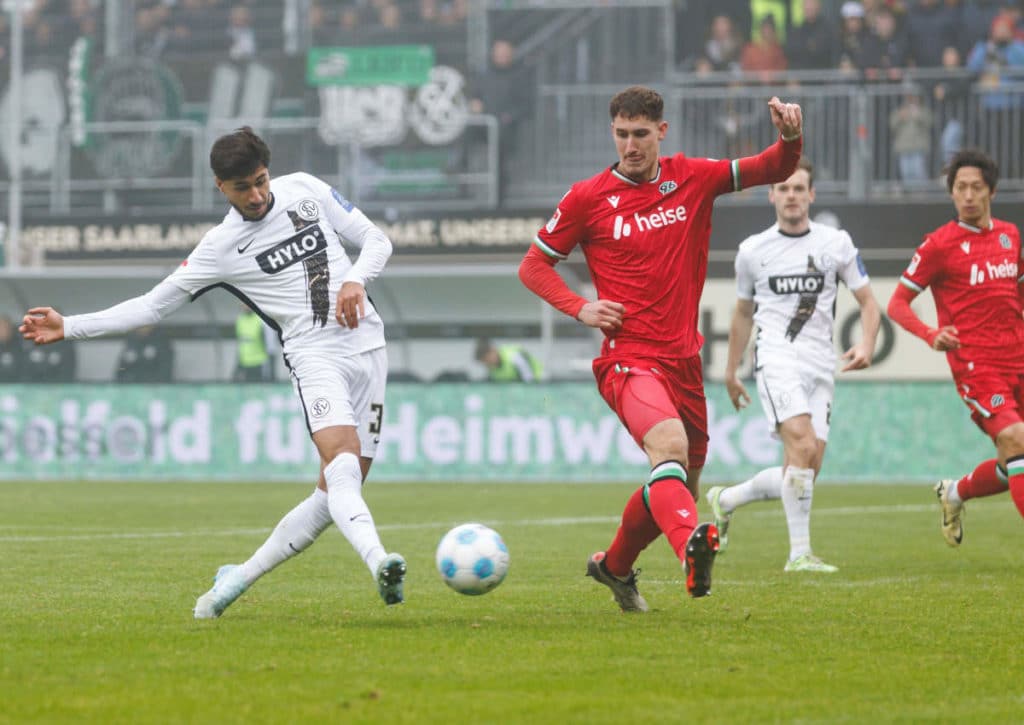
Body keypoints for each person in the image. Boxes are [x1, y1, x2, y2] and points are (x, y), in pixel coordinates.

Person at [20, 126, 407, 617]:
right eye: (243, 188)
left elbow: (376, 240)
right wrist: (70, 326)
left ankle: (234, 581)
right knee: (341, 461)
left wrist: (355, 279)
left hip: (370, 346)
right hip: (314, 356)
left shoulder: (305, 188)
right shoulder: (220, 248)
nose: (257, 195)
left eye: (261, 181)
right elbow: (152, 306)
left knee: (334, 493)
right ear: (220, 187)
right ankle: (380, 563)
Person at [518, 85, 804, 611]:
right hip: (628, 359)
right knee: (669, 447)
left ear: (661, 132)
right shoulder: (587, 197)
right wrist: (580, 307)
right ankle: (692, 549)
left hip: (684, 362)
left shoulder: (692, 176)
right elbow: (534, 266)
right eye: (622, 134)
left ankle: (613, 567)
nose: (630, 145)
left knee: (679, 486)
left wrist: (790, 138)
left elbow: (772, 167)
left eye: (641, 134)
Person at [705, 157, 881, 573]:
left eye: (799, 188)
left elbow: (868, 302)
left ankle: (725, 499)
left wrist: (867, 343)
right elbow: (743, 313)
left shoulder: (836, 243)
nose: (791, 196)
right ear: (771, 195)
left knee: (804, 469)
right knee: (802, 447)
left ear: (811, 195)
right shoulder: (753, 251)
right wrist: (731, 370)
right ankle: (799, 554)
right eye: (783, 189)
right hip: (776, 358)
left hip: (821, 362)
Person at [886, 148, 1024, 547]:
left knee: (1012, 459)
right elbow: (897, 303)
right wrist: (930, 334)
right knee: (1016, 437)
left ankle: (955, 493)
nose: (967, 195)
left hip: (1018, 357)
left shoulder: (1010, 235)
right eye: (960, 187)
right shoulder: (939, 245)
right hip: (977, 366)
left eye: (975, 187)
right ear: (951, 193)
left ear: (991, 192)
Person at [233, 304, 274, 382]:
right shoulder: (240, 320)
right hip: (244, 363)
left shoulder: (261, 320)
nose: (245, 306)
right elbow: (240, 342)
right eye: (243, 304)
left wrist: (270, 365)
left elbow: (270, 344)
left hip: (259, 363)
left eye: (247, 304)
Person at [474, 337, 542, 382]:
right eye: (484, 363)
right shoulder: (492, 369)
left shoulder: (513, 356)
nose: (487, 365)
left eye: (487, 360)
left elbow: (529, 379)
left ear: (492, 351)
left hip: (539, 384)